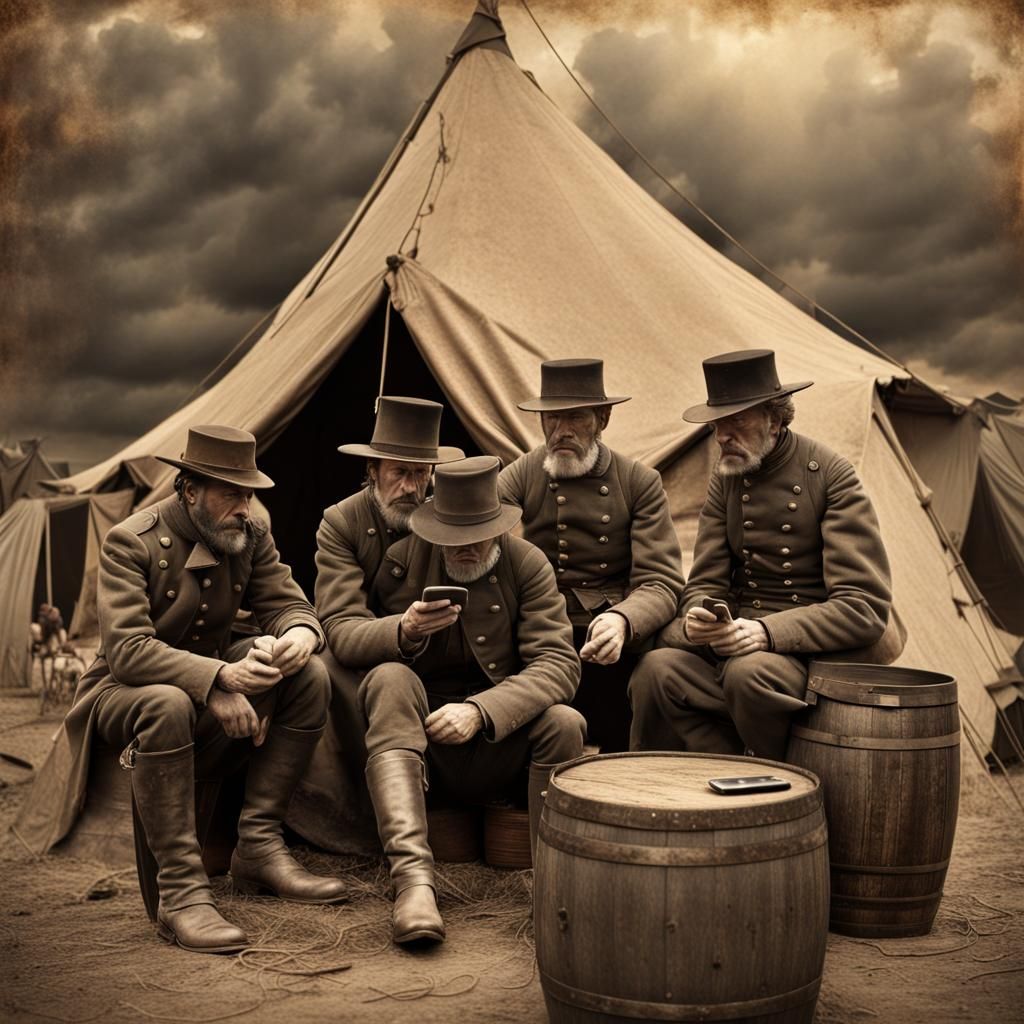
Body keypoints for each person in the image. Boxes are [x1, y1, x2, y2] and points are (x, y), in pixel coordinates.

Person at [15, 426, 345, 954]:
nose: (246, 506)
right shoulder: (131, 540)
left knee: (309, 675)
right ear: (190, 489)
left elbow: (287, 602)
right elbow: (128, 652)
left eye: (250, 492)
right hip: (122, 692)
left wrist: (299, 636)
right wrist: (217, 681)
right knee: (167, 701)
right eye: (231, 493)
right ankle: (181, 891)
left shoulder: (249, 533)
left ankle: (258, 847)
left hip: (201, 681)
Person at [357, 456, 583, 945]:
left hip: (500, 742)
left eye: (477, 533)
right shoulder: (400, 563)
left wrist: (482, 711)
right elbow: (349, 640)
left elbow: (559, 664)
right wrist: (406, 631)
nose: (464, 547)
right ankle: (413, 885)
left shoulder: (527, 564)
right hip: (422, 748)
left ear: (499, 526)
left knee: (565, 722)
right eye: (451, 535)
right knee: (389, 678)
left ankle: (554, 882)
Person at [629, 350, 894, 760]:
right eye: (718, 423)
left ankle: (780, 787)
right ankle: (682, 787)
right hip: (738, 644)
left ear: (774, 418)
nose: (721, 437)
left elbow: (864, 607)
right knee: (655, 670)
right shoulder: (727, 480)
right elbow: (705, 582)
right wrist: (702, 616)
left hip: (808, 654)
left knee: (747, 673)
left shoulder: (831, 475)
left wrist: (767, 633)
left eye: (737, 421)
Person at [286, 397, 465, 851]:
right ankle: (362, 827)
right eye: (397, 473)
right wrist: (401, 631)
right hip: (366, 672)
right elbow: (341, 627)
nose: (409, 486)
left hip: (447, 671)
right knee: (334, 670)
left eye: (420, 473)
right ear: (372, 472)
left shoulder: (454, 512)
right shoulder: (342, 522)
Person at [498, 358, 684, 751]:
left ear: (603, 418)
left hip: (610, 623)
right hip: (543, 619)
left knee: (643, 675)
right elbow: (485, 535)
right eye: (551, 419)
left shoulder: (639, 482)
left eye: (576, 418)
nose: (561, 431)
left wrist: (622, 620)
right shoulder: (522, 473)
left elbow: (662, 584)